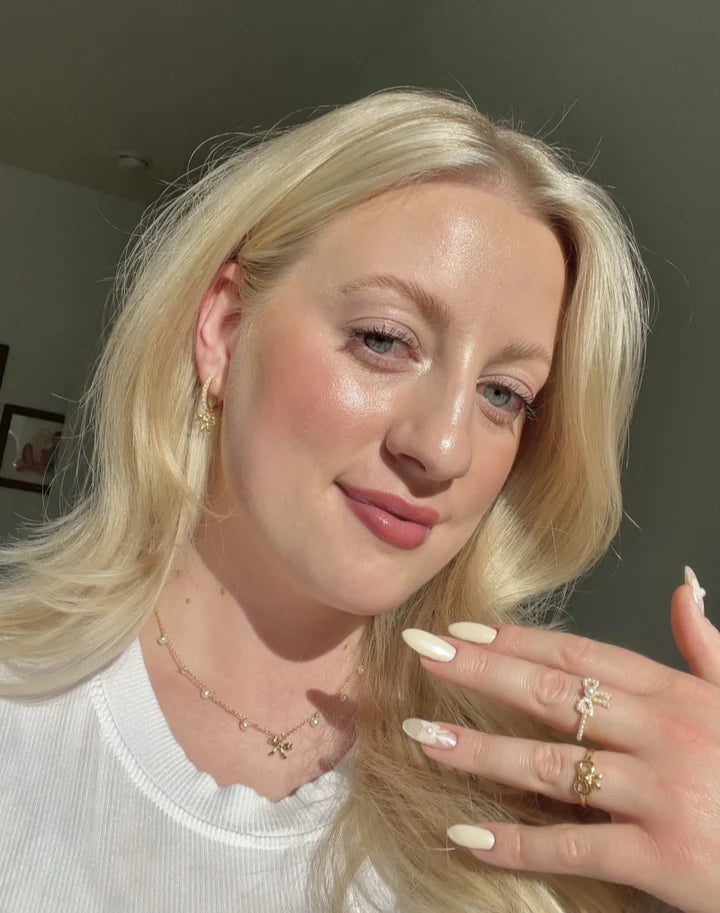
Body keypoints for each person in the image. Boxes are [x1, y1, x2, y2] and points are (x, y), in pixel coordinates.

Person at [0, 87, 716, 913]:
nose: (444, 448)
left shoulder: (554, 809)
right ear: (225, 330)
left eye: (503, 394)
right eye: (384, 339)